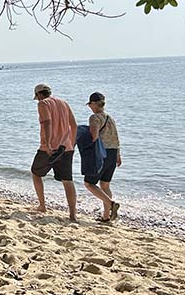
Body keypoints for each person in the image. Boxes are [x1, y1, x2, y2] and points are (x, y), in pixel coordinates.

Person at [30, 83, 78, 220]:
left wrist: (49, 144)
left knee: (35, 172)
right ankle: (72, 215)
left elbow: (47, 123)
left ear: (39, 95)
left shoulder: (43, 104)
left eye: (37, 97)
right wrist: (72, 143)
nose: (37, 99)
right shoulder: (64, 103)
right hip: (67, 146)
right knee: (67, 180)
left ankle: (42, 205)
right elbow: (74, 125)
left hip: (49, 147)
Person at [82, 92, 122, 222]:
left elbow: (94, 137)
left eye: (90, 105)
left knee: (89, 183)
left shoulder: (94, 118)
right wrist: (118, 155)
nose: (90, 107)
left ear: (94, 104)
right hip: (112, 153)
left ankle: (111, 204)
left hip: (101, 154)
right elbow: (116, 137)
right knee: (105, 185)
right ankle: (106, 216)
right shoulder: (110, 118)